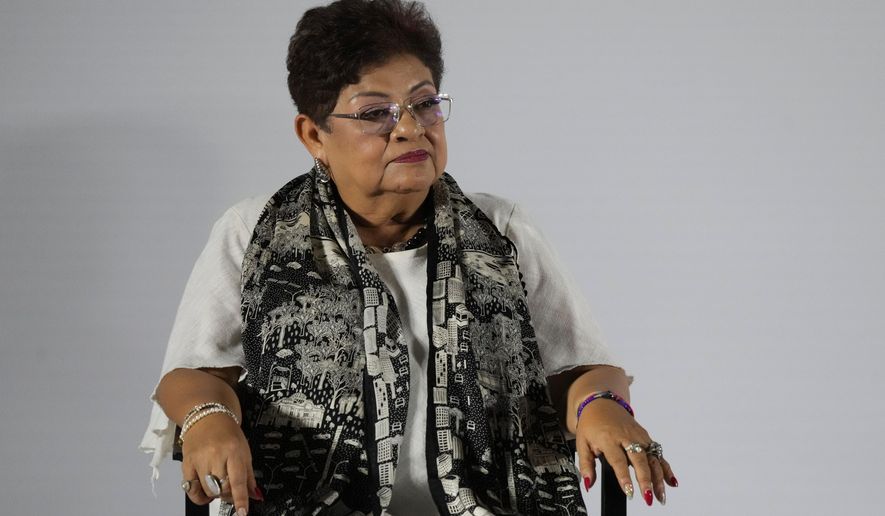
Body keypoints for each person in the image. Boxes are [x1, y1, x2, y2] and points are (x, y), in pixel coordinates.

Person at [140, 1, 677, 514]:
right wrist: (208, 417)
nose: (409, 128)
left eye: (424, 103)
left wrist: (600, 406)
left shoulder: (503, 229)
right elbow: (189, 376)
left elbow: (581, 367)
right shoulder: (254, 231)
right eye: (376, 112)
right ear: (313, 134)